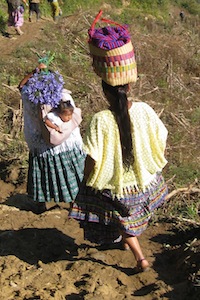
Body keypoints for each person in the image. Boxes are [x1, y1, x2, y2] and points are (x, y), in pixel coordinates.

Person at [69, 79, 168, 272]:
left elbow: (93, 157)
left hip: (119, 189)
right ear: (129, 88)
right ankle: (125, 241)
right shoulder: (144, 110)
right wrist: (153, 163)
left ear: (104, 93)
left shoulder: (100, 119)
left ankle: (140, 259)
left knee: (116, 210)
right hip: (146, 184)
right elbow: (162, 135)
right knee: (124, 213)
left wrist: (86, 177)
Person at [18, 62, 86, 213]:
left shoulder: (30, 96)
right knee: (71, 177)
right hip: (65, 143)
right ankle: (74, 207)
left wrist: (33, 72)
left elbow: (21, 86)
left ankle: (40, 205)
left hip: (41, 145)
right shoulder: (63, 96)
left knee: (42, 175)